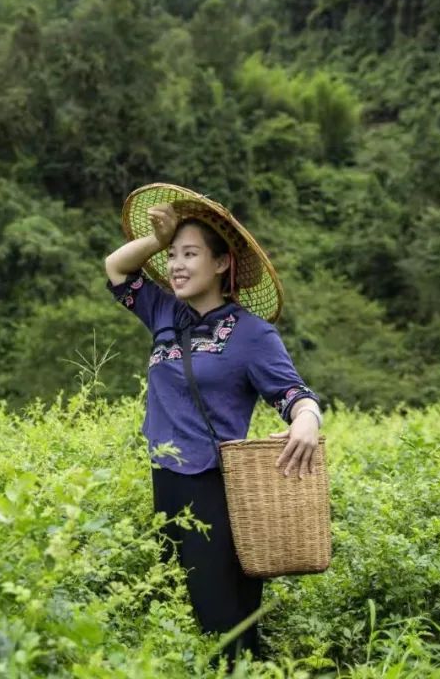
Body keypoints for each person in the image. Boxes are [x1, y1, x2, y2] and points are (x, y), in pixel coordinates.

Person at [104, 184, 323, 669]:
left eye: (191, 254)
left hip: (218, 489)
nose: (177, 265)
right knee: (180, 612)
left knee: (223, 621)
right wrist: (157, 243)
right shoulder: (163, 310)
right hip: (166, 482)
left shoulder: (252, 334)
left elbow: (294, 395)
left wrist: (307, 421)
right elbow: (117, 268)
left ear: (222, 264)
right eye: (173, 255)